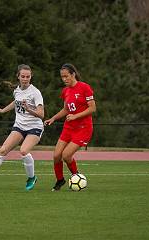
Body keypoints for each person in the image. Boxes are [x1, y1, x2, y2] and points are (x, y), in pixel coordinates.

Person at [0, 64, 44, 191]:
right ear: (18, 76)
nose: (25, 79)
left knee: (23, 151)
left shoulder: (35, 92)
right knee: (3, 150)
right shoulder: (16, 90)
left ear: (31, 77)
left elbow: (41, 114)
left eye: (28, 76)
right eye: (23, 76)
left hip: (35, 127)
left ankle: (31, 178)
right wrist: (2, 110)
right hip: (19, 126)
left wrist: (29, 109)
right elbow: (15, 102)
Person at [44, 63, 96, 191]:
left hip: (83, 128)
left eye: (66, 76)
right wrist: (53, 118)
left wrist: (76, 116)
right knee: (56, 155)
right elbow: (66, 109)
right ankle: (60, 180)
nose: (64, 79)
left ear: (73, 74)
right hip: (69, 128)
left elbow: (92, 108)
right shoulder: (65, 91)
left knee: (66, 155)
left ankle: (76, 176)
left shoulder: (84, 87)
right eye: (62, 77)